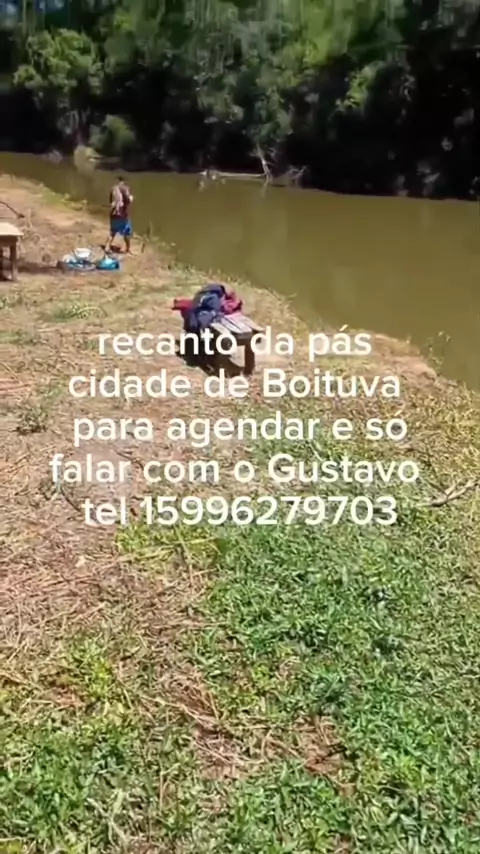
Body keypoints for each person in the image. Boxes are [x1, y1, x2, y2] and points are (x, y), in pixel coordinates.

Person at [105, 176, 134, 254]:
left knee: (112, 231)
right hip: (122, 214)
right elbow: (127, 201)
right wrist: (131, 199)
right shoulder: (124, 188)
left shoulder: (113, 188)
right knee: (126, 231)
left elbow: (110, 201)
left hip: (113, 213)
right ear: (123, 181)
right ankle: (127, 248)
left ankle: (107, 247)